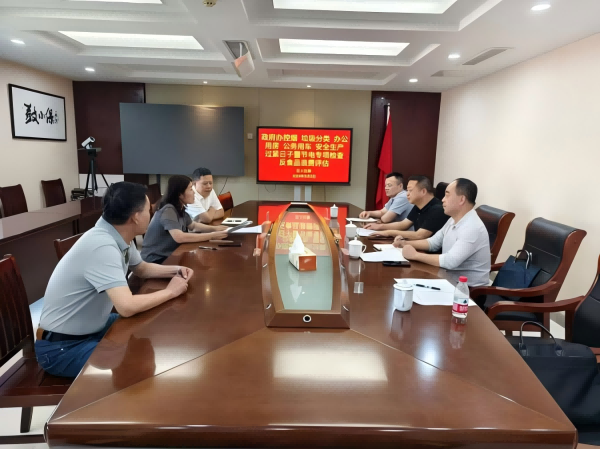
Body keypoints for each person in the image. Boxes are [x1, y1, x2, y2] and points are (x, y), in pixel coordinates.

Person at [35, 182, 194, 378]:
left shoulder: (117, 233)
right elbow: (126, 306)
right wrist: (170, 291)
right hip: (62, 347)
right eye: (148, 210)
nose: (151, 213)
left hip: (93, 328)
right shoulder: (102, 246)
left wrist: (176, 270)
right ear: (135, 217)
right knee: (133, 361)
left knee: (147, 321)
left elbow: (141, 268)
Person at [393, 178, 490, 287]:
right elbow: (433, 243)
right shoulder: (453, 219)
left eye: (447, 195)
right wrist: (404, 243)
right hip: (447, 278)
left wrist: (415, 255)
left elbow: (450, 261)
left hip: (467, 290)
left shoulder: (472, 227)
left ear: (462, 199)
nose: (443, 200)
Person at [141, 175, 228, 264]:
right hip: (156, 259)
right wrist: (212, 236)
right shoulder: (168, 210)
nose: (194, 193)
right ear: (180, 194)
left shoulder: (180, 208)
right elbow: (180, 237)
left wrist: (216, 229)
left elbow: (193, 226)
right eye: (191, 189)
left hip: (170, 255)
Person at [364, 175, 448, 240]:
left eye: (410, 190)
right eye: (407, 190)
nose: (407, 194)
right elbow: (404, 224)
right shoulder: (419, 205)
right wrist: (379, 227)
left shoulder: (438, 209)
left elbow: (419, 235)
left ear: (423, 191)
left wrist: (388, 232)